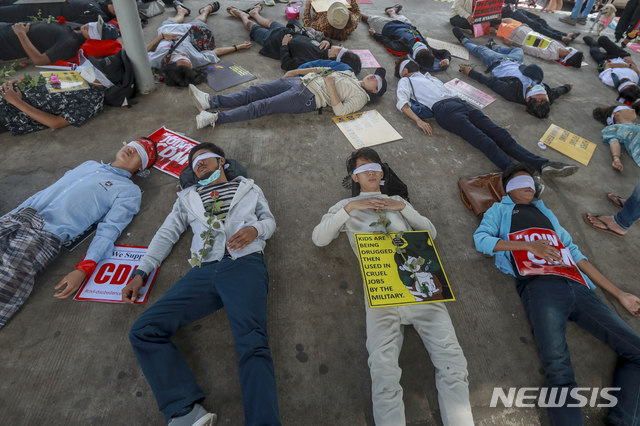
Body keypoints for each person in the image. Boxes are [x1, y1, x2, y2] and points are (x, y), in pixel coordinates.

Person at [312, 148, 475, 426]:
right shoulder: (345, 206)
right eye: (364, 168)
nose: (371, 171)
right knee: (383, 369)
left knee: (452, 361)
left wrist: (403, 208)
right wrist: (350, 209)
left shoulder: (396, 200)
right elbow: (319, 238)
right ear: (354, 176)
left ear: (383, 172)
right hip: (381, 290)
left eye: (376, 166)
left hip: (420, 283)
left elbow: (430, 234)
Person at [123, 142, 281, 426]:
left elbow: (269, 221)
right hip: (203, 270)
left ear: (221, 161)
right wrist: (142, 271)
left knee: (253, 344)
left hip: (244, 265)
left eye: (203, 158)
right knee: (144, 329)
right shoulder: (187, 198)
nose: (198, 163)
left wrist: (255, 229)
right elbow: (166, 234)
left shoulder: (249, 188)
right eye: (193, 162)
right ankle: (186, 412)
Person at [474, 162, 640, 425]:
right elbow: (481, 240)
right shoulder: (500, 211)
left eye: (530, 182)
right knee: (559, 370)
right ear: (507, 190)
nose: (527, 187)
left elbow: (575, 254)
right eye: (519, 183)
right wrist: (526, 246)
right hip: (541, 287)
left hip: (579, 287)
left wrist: (620, 294)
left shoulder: (546, 213)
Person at [0, 139, 157, 329]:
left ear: (141, 167)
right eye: (131, 145)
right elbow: (42, 194)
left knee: (6, 285)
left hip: (42, 236)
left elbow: (109, 230)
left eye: (139, 152)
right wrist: (7, 217)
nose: (131, 149)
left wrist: (84, 269)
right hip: (17, 218)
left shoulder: (129, 191)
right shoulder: (89, 165)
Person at [395, 58, 579, 176]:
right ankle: (517, 176)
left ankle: (544, 165)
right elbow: (402, 102)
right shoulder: (406, 80)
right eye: (406, 64)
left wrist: (479, 112)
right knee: (484, 140)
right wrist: (418, 120)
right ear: (403, 72)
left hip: (461, 104)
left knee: (501, 135)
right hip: (444, 111)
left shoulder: (431, 77)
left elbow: (450, 92)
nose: (410, 63)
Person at [188, 67, 387, 129]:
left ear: (374, 91)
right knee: (254, 91)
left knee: (261, 106)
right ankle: (211, 101)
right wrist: (295, 72)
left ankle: (214, 118)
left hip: (307, 97)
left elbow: (340, 112)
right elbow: (321, 69)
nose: (372, 76)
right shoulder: (350, 72)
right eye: (374, 74)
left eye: (375, 81)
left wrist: (331, 86)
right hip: (299, 81)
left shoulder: (361, 98)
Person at [453, 28, 572, 119]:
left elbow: (490, 82)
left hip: (497, 61)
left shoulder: (511, 92)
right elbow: (557, 92)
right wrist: (567, 87)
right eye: (544, 96)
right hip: (516, 61)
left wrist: (471, 73)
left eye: (538, 96)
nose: (542, 91)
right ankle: (495, 46)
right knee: (518, 50)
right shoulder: (548, 97)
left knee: (479, 50)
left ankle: (463, 39)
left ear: (527, 99)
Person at [226, 5, 361, 73]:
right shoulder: (325, 47)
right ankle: (254, 13)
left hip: (274, 41)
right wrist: (328, 41)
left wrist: (284, 45)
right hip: (286, 31)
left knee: (252, 26)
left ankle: (243, 16)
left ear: (337, 54)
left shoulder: (313, 62)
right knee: (270, 22)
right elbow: (324, 39)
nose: (341, 46)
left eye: (343, 49)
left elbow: (287, 65)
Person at [146, 2, 252, 87]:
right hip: (192, 31)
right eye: (189, 61)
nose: (185, 56)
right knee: (200, 20)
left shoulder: (156, 61)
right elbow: (216, 52)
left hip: (168, 29)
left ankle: (181, 11)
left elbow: (143, 52)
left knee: (171, 20)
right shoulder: (196, 60)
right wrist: (238, 47)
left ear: (170, 65)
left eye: (182, 58)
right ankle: (205, 11)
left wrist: (162, 36)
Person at [363, 4, 451, 73]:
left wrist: (375, 34)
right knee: (396, 16)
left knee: (368, 18)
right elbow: (444, 52)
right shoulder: (427, 48)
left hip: (388, 26)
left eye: (419, 49)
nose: (420, 45)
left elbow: (387, 42)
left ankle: (352, 11)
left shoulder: (401, 49)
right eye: (423, 48)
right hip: (407, 25)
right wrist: (447, 58)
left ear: (414, 55)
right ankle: (392, 11)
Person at [0, 16, 118, 65]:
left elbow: (39, 60)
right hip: (6, 28)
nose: (90, 26)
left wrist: (20, 33)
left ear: (97, 39)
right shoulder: (78, 28)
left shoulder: (70, 43)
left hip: (5, 43)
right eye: (96, 24)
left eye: (96, 30)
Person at [493, 19, 584, 66]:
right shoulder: (559, 46)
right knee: (503, 18)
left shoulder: (551, 54)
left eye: (574, 51)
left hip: (515, 34)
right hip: (524, 29)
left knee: (495, 23)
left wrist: (511, 42)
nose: (573, 48)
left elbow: (530, 50)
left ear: (570, 54)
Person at [584, 36, 640, 103]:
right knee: (602, 39)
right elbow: (636, 69)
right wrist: (630, 61)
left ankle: (593, 43)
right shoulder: (637, 83)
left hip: (606, 59)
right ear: (634, 83)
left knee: (593, 50)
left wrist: (629, 66)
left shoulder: (611, 81)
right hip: (621, 56)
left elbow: (608, 65)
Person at [592, 105, 640, 172]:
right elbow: (614, 142)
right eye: (628, 109)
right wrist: (616, 159)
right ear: (616, 113)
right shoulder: (614, 128)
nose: (633, 110)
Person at [503, 6, 580, 45]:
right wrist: (508, 7)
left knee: (541, 22)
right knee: (536, 25)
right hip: (512, 14)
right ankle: (561, 37)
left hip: (517, 10)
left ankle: (565, 34)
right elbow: (496, 11)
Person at [0, 0, 115, 25]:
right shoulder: (98, 3)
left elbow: (74, 25)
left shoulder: (98, 15)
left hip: (37, 11)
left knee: (4, 13)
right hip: (37, 3)